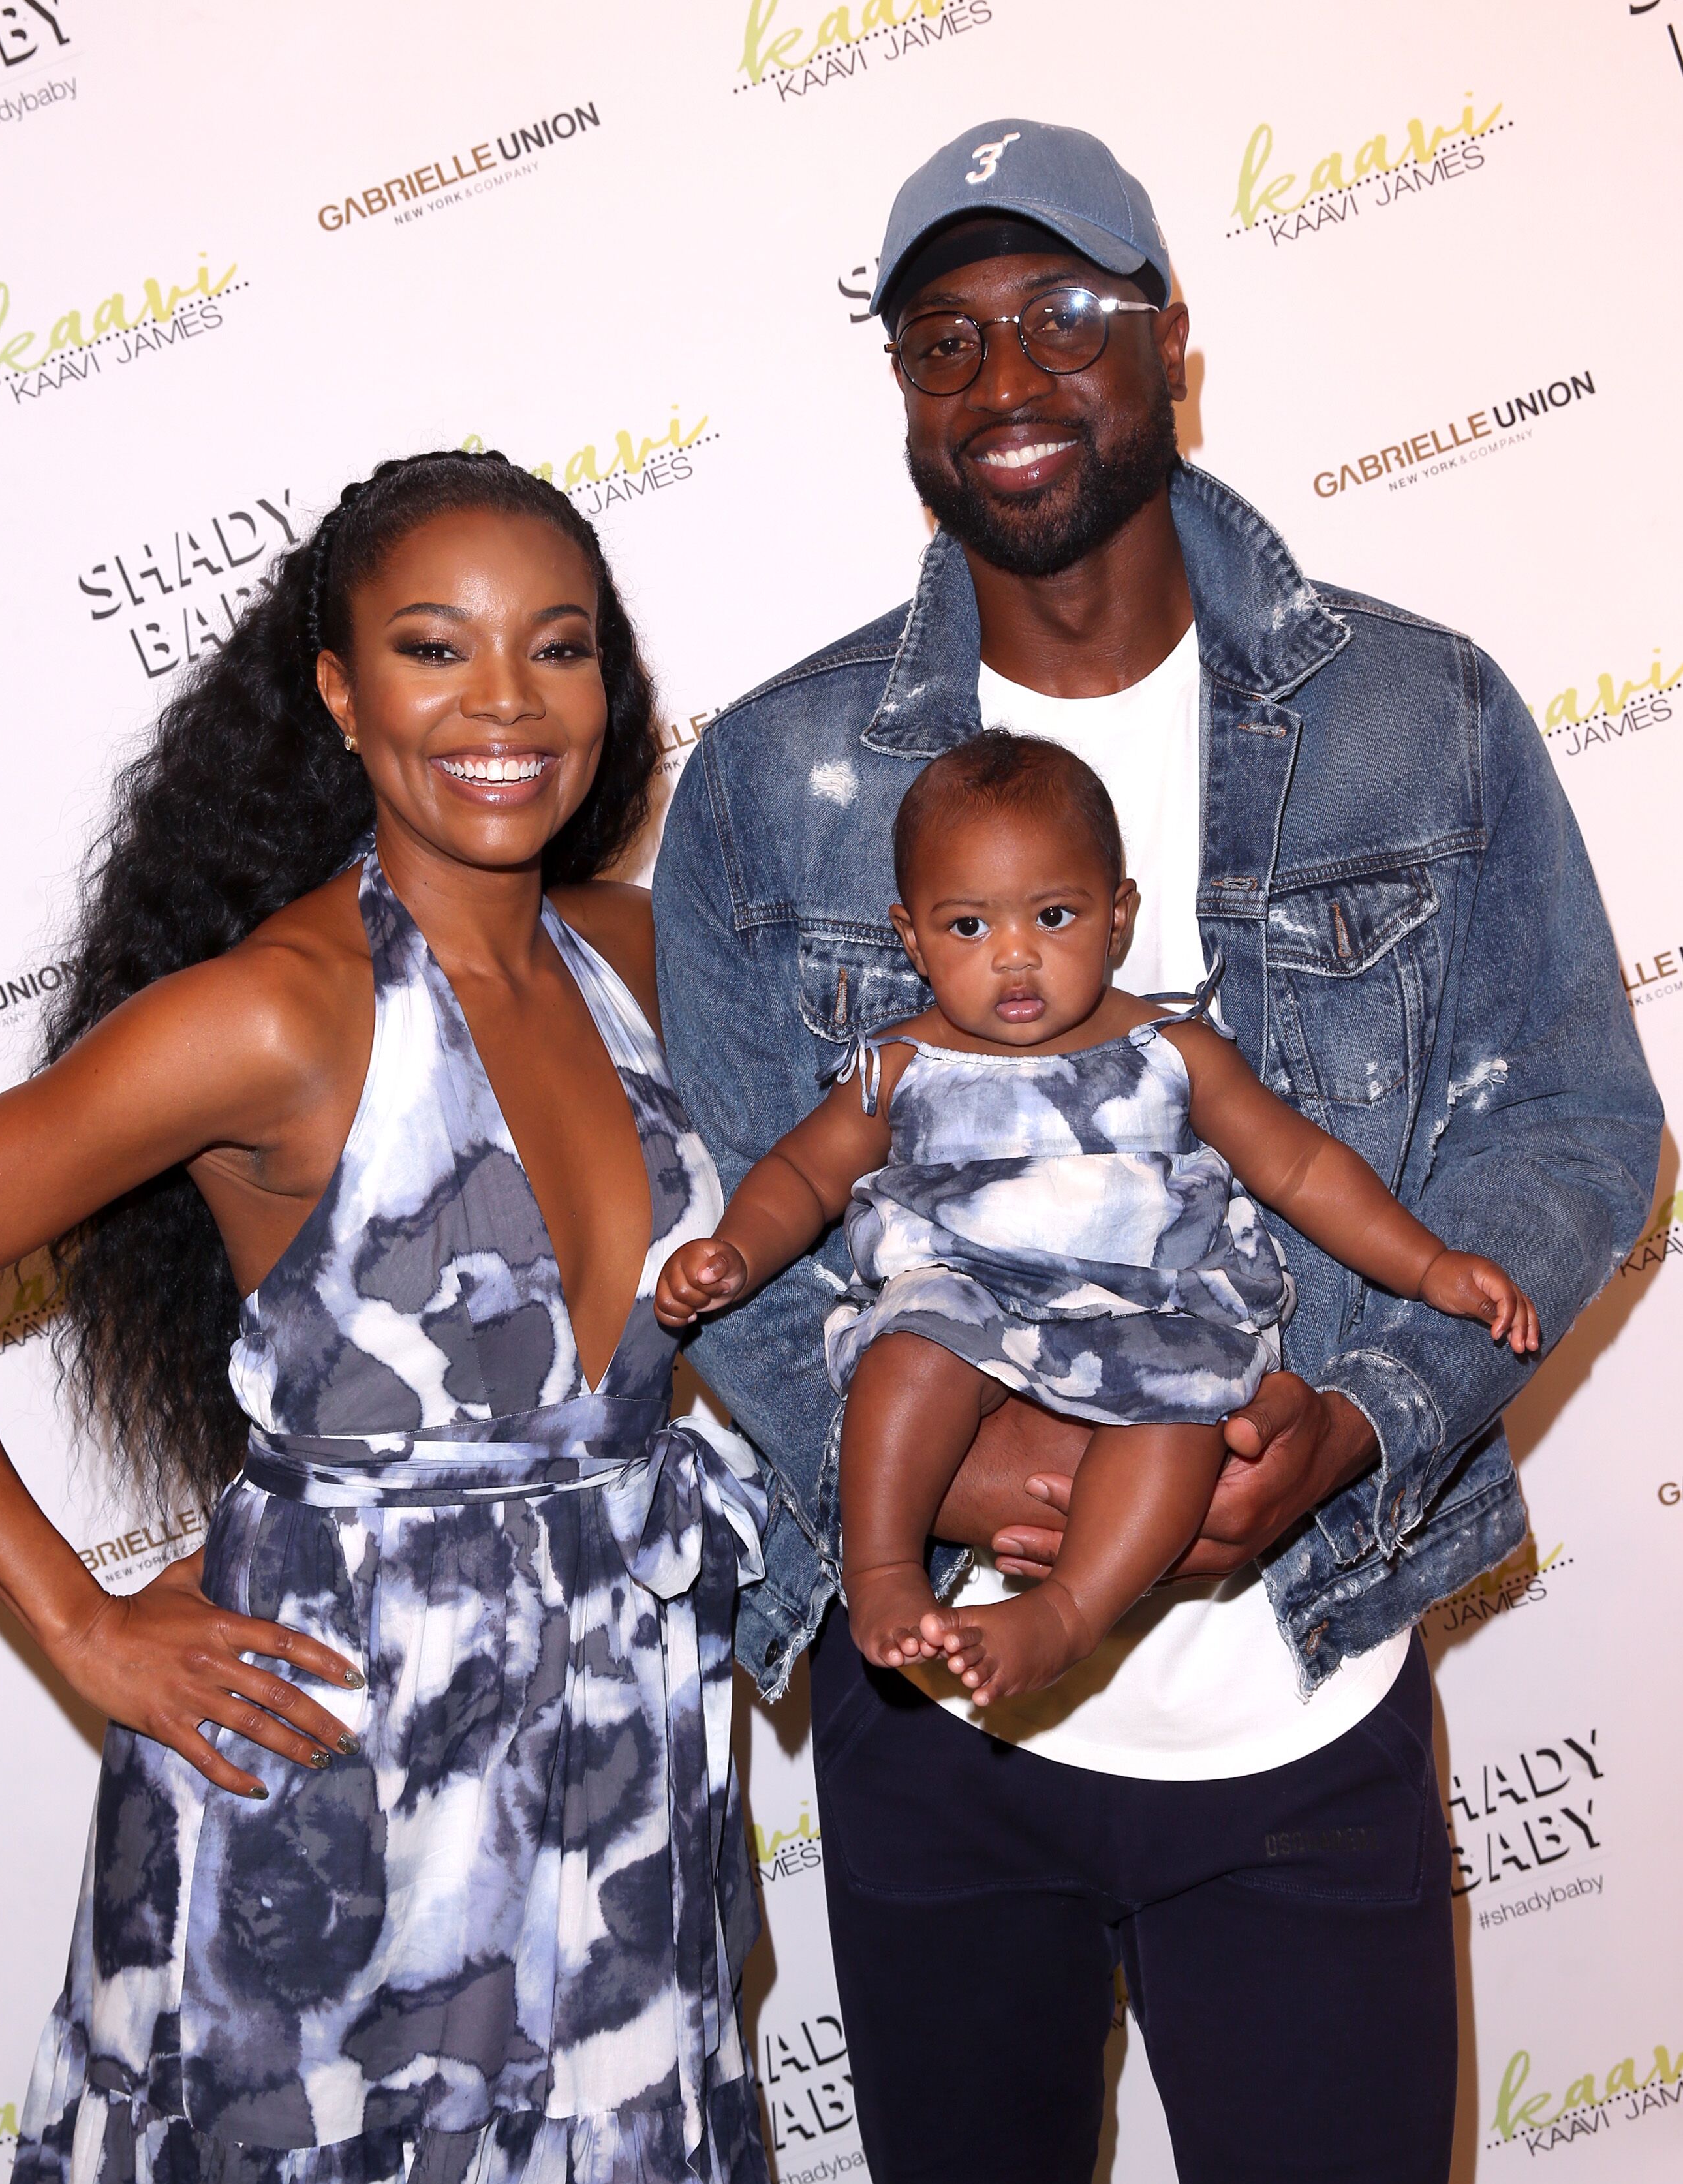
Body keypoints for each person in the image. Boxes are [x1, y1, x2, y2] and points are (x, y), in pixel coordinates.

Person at [654, 119, 1660, 2184]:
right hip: (938, 1726)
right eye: (947, 333)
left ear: (1166, 342)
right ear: (906, 385)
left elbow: (1576, 1129)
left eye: (1065, 315)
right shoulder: (784, 780)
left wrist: (1372, 1413)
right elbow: (724, 1205)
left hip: (1301, 1707)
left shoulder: (1418, 715)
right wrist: (972, 1479)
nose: (1007, 374)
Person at [0, 450, 792, 2184]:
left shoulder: (641, 958)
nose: (505, 703)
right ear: (342, 697)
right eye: (434, 649)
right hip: (336, 1828)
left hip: (620, 1806)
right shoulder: (283, 1015)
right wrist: (83, 1625)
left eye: (558, 647)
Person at [656, 729, 1539, 1703]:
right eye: (967, 929)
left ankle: (1067, 1611)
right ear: (909, 939)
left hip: (1149, 1306)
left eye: (1055, 914)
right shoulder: (898, 1063)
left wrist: (1427, 1266)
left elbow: (1303, 1165)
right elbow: (803, 1177)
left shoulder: (1174, 1048)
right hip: (967, 1291)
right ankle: (880, 1571)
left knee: (1186, 1409)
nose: (1016, 957)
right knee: (907, 1351)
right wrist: (736, 1249)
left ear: (1117, 917)